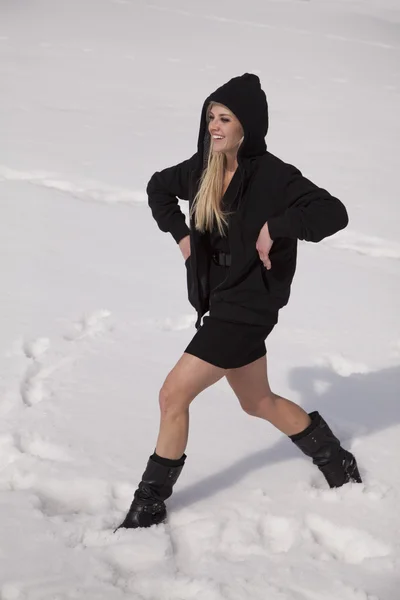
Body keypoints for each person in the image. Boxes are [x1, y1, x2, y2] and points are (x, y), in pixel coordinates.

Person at [116, 73, 362, 531]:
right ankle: (335, 460)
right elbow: (157, 187)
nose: (214, 126)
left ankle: (149, 504)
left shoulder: (275, 176)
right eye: (210, 116)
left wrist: (277, 228)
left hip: (248, 307)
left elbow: (334, 212)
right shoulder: (202, 168)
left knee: (173, 394)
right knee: (259, 401)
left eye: (224, 118)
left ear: (246, 125)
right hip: (223, 301)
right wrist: (184, 237)